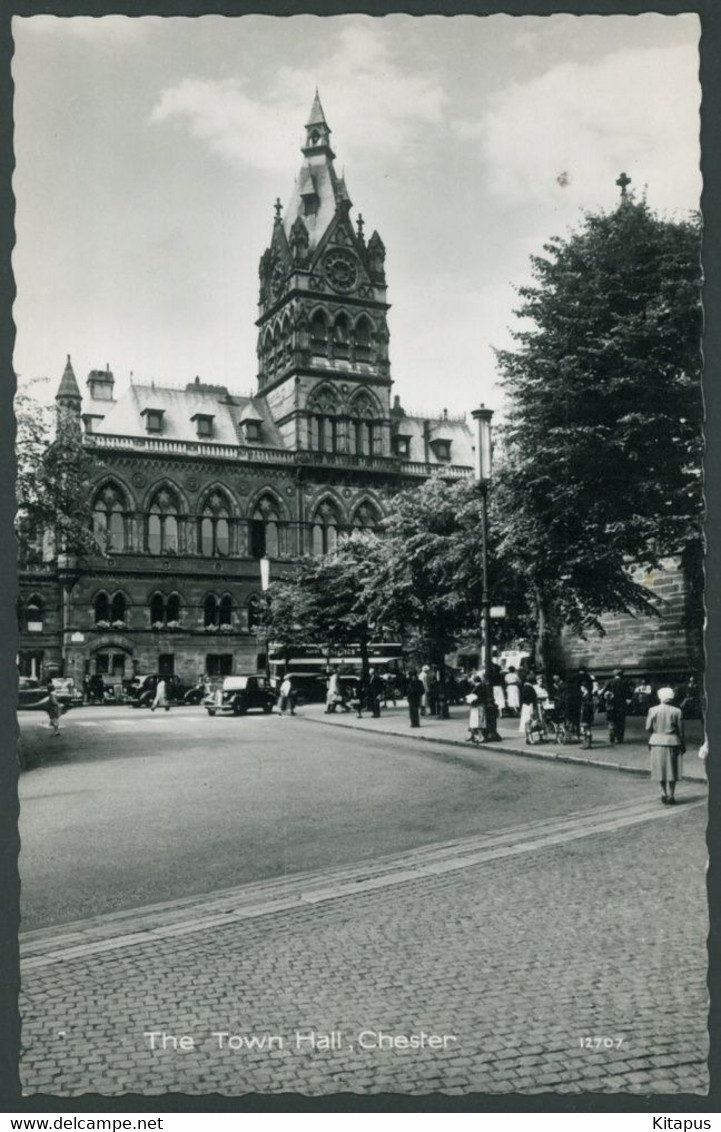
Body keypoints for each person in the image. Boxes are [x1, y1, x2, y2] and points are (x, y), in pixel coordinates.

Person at [646, 686, 685, 804]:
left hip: (656, 741)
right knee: (672, 769)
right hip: (672, 741)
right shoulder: (677, 711)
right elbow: (681, 731)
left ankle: (663, 793)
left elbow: (648, 727)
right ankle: (671, 795)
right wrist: (683, 744)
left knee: (660, 769)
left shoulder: (652, 710)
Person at [602, 668, 629, 744]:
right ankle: (619, 738)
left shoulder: (609, 682)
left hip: (611, 705)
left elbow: (603, 692)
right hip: (621, 705)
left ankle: (612, 733)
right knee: (621, 722)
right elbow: (628, 694)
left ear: (614, 674)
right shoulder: (625, 682)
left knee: (611, 721)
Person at [465, 675, 485, 745]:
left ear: (474, 681)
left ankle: (480, 736)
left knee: (477, 721)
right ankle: (472, 734)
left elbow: (480, 697)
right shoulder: (476, 687)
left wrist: (473, 701)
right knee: (473, 721)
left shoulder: (480, 687)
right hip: (475, 706)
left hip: (477, 706)